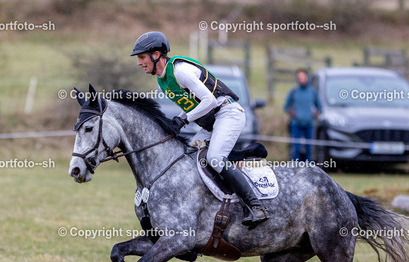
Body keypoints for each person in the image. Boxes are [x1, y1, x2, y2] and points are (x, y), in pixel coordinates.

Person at [130, 31, 268, 225]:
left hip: (228, 113)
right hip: (212, 122)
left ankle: (255, 206)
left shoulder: (180, 71)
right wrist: (178, 119)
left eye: (142, 57)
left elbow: (208, 100)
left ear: (156, 54)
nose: (139, 63)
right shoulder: (163, 81)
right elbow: (192, 105)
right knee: (187, 158)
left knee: (214, 158)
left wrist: (184, 121)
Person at [284, 69, 322, 161]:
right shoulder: (294, 92)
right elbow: (286, 107)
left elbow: (319, 107)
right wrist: (293, 114)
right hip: (296, 124)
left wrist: (314, 114)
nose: (301, 79)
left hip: (310, 124)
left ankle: (309, 167)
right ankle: (295, 167)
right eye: (299, 77)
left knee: (309, 150)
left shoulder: (312, 92)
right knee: (296, 149)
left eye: (303, 77)